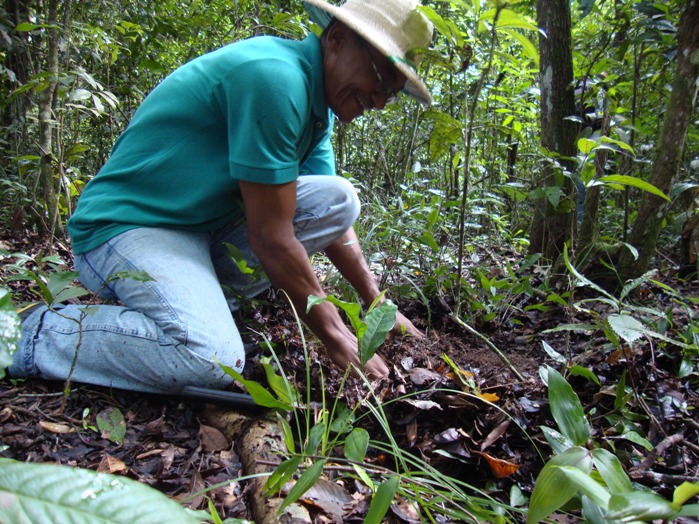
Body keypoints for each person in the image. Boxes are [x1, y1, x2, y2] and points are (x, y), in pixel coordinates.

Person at [9, 0, 433, 394]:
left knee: (339, 199)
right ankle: (27, 333)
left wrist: (376, 305)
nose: (378, 101)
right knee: (211, 358)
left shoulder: (315, 108)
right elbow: (271, 237)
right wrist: (336, 336)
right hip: (127, 227)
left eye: (391, 92)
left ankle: (195, 300)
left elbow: (331, 217)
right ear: (337, 38)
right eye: (379, 78)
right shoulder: (275, 78)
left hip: (199, 231)